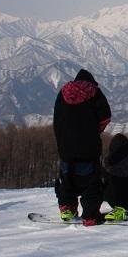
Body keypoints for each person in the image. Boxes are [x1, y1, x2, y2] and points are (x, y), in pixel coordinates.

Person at [53, 69, 112, 226]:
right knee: (92, 184)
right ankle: (90, 216)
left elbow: (56, 118)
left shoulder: (62, 93)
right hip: (88, 147)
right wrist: (94, 130)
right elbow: (106, 117)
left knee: (66, 181)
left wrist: (62, 137)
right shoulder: (95, 93)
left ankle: (67, 209)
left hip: (65, 147)